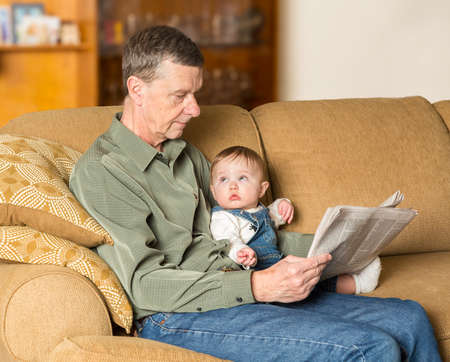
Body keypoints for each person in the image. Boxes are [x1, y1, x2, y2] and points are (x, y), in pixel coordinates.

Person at [69, 25, 442, 361]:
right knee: (371, 347)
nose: (195, 109)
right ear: (137, 89)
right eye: (181, 95)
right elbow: (144, 285)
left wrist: (340, 245)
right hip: (174, 314)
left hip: (238, 284)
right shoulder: (103, 173)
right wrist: (257, 285)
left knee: (410, 318)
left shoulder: (187, 156)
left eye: (195, 94)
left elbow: (238, 229)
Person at [209, 145, 382, 294]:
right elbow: (227, 240)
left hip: (277, 262)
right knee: (307, 282)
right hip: (254, 273)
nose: (232, 185)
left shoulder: (260, 210)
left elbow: (273, 215)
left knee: (311, 269)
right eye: (223, 179)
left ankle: (354, 264)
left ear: (262, 190)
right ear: (214, 191)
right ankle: (356, 285)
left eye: (242, 178)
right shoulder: (223, 217)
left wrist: (283, 205)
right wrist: (240, 252)